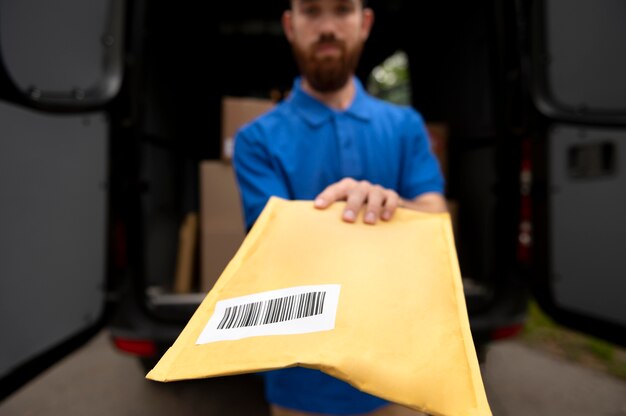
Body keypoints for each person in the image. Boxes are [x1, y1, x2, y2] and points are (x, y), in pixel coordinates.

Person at [233, 0, 447, 415]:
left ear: (364, 23)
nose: (327, 26)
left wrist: (392, 203)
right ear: (290, 25)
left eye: (341, 9)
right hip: (299, 379)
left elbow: (437, 215)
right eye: (311, 11)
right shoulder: (256, 139)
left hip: (401, 372)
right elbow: (270, 245)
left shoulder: (405, 126)